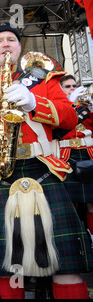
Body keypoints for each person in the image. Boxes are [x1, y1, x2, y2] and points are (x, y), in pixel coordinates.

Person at [0, 22, 93, 299]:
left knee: (65, 264)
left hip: (44, 169)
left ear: (19, 47)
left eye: (11, 40)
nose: (5, 44)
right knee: (8, 267)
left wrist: (34, 103)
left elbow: (70, 117)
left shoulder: (44, 79)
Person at [56, 75, 93, 240]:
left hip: (88, 153)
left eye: (74, 86)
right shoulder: (58, 107)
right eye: (68, 86)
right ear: (61, 89)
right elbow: (60, 127)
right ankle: (76, 238)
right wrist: (71, 103)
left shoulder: (85, 106)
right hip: (68, 154)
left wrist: (91, 110)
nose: (72, 89)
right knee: (71, 202)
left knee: (92, 202)